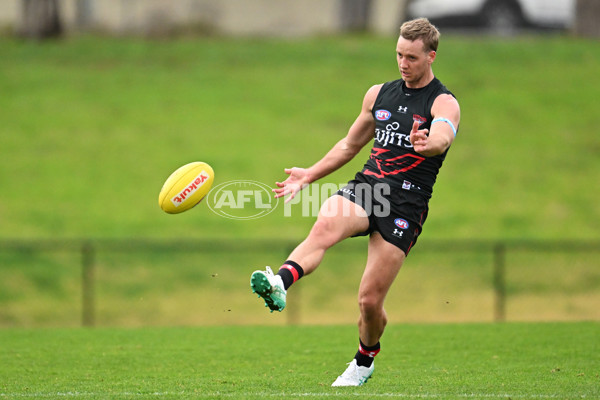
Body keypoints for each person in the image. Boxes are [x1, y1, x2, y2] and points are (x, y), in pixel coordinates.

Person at [250, 17, 460, 387]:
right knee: (325, 226)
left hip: (406, 205)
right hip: (370, 187)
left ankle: (364, 361)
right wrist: (309, 174)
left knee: (368, 302)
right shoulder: (379, 94)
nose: (402, 63)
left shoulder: (443, 101)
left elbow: (443, 133)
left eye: (411, 57)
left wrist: (431, 144)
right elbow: (350, 145)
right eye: (398, 54)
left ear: (431, 57)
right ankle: (281, 281)